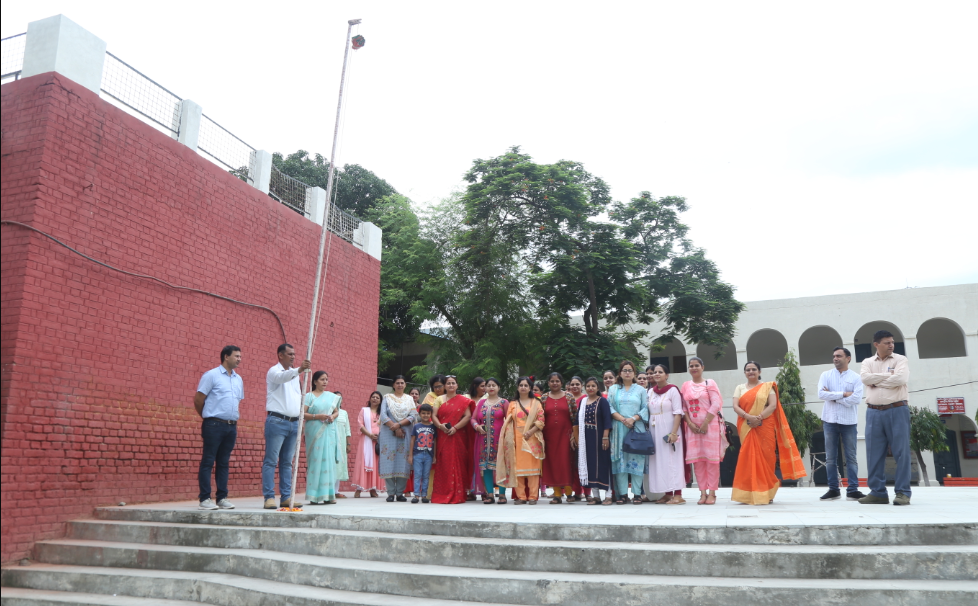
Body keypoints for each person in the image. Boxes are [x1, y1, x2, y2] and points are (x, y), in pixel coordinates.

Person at [731, 361, 806, 505]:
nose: (751, 372)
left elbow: (772, 405)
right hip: (746, 426)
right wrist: (749, 417)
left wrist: (758, 418)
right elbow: (735, 406)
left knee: (766, 459)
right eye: (748, 370)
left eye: (754, 369)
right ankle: (747, 495)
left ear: (759, 371)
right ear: (745, 372)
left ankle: (766, 493)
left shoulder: (767, 387)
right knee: (748, 459)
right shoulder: (739, 388)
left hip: (764, 425)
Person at [859, 330, 911, 506]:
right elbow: (865, 378)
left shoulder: (900, 359)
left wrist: (877, 380)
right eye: (887, 342)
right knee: (873, 453)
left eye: (892, 342)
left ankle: (903, 492)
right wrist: (890, 377)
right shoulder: (867, 362)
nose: (891, 345)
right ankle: (878, 492)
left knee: (901, 452)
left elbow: (901, 378)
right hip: (873, 412)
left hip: (897, 410)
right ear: (876, 344)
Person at [194, 345, 244, 510]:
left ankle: (222, 497)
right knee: (208, 461)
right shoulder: (211, 375)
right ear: (226, 357)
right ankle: (205, 498)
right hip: (213, 424)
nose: (239, 359)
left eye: (240, 356)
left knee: (223, 463)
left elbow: (237, 401)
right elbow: (199, 399)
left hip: (231, 426)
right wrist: (208, 417)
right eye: (236, 356)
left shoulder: (238, 379)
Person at [263, 343, 312, 509]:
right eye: (289, 354)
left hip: (293, 423)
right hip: (277, 421)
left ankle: (286, 496)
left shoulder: (295, 377)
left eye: (294, 354)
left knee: (287, 462)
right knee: (271, 460)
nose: (293, 356)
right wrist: (298, 370)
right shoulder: (274, 371)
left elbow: (299, 398)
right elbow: (281, 378)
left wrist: (301, 420)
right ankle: (269, 497)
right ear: (280, 355)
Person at [817, 347, 865, 501]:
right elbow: (821, 394)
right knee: (830, 458)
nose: (835, 358)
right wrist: (844, 394)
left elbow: (857, 399)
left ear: (848, 358)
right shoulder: (826, 375)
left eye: (839, 356)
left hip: (849, 422)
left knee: (851, 457)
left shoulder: (856, 377)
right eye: (834, 356)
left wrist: (833, 396)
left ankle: (852, 490)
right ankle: (833, 489)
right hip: (830, 420)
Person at [681, 357, 727, 505]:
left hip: (710, 426)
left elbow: (716, 404)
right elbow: (684, 408)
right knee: (698, 461)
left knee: (711, 461)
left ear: (702, 367)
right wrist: (689, 423)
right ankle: (702, 493)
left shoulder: (710, 383)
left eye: (696, 365)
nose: (694, 368)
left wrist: (706, 423)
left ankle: (712, 492)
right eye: (691, 366)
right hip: (692, 428)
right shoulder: (685, 385)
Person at [496, 376, 546, 504]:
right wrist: (509, 439)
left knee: (533, 469)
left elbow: (541, 420)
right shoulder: (513, 404)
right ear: (517, 387)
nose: (523, 387)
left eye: (526, 385)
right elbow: (508, 422)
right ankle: (521, 496)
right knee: (517, 468)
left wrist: (530, 431)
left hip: (532, 437)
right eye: (521, 385)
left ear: (530, 388)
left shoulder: (536, 403)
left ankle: (533, 496)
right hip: (516, 438)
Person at [608, 360, 649, 505]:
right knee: (620, 460)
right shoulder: (613, 389)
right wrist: (622, 419)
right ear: (620, 373)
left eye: (630, 370)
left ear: (634, 373)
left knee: (637, 459)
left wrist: (633, 419)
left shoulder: (640, 390)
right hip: (619, 428)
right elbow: (610, 408)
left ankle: (637, 493)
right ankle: (623, 494)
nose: (627, 372)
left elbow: (645, 408)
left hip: (636, 428)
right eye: (624, 370)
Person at [647, 364, 686, 504]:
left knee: (673, 460)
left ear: (667, 375)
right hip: (654, 430)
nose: (657, 374)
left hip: (669, 428)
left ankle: (678, 494)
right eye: (655, 372)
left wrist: (674, 432)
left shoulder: (672, 390)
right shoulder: (651, 391)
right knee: (660, 461)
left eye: (660, 372)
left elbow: (678, 412)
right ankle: (668, 493)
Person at [431, 376, 474, 503]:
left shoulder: (463, 400)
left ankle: (458, 494)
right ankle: (443, 492)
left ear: (457, 386)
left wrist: (455, 428)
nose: (450, 385)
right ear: (444, 386)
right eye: (448, 383)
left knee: (458, 463)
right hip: (443, 434)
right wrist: (440, 426)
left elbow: (468, 416)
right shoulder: (439, 399)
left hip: (458, 435)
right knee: (444, 463)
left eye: (453, 383)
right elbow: (434, 415)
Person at [303, 371, 340, 505]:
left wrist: (332, 417)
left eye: (326, 379)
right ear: (315, 381)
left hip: (328, 432)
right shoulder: (309, 396)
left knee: (328, 462)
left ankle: (329, 495)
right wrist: (317, 417)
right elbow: (302, 413)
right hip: (314, 432)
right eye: (322, 379)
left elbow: (336, 411)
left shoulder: (330, 397)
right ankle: (314, 496)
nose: (325, 382)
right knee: (315, 462)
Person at [542, 372, 580, 503]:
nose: (555, 383)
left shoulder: (569, 397)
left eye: (557, 381)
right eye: (552, 381)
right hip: (549, 436)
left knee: (566, 463)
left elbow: (575, 418)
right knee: (552, 464)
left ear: (561, 383)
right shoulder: (544, 398)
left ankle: (569, 493)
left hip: (566, 436)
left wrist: (575, 436)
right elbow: (540, 417)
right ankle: (557, 494)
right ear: (548, 383)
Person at [379, 376, 418, 502]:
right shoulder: (387, 398)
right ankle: (390, 493)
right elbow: (383, 415)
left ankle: (400, 492)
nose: (400, 385)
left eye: (402, 383)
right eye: (397, 383)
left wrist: (400, 425)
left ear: (405, 385)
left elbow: (412, 415)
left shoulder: (409, 399)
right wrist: (395, 428)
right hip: (389, 432)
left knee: (403, 461)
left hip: (405, 432)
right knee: (388, 460)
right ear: (393, 385)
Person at [577, 377, 613, 505]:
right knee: (590, 464)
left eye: (593, 386)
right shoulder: (583, 402)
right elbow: (577, 421)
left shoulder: (602, 401)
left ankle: (608, 495)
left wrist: (605, 436)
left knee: (604, 463)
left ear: (598, 388)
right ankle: (596, 496)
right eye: (588, 386)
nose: (590, 388)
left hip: (600, 437)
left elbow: (607, 420)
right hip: (586, 438)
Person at [472, 378, 508, 503]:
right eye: (488, 385)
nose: (491, 387)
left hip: (499, 439)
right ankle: (490, 494)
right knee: (486, 467)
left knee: (500, 466)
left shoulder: (504, 402)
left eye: (494, 385)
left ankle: (502, 494)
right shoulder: (481, 403)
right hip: (483, 440)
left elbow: (509, 421)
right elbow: (473, 419)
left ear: (499, 387)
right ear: (485, 388)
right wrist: (477, 426)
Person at [352, 391, 382, 498]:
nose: (375, 399)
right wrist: (369, 435)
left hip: (378, 441)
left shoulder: (382, 413)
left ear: (380, 401)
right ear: (370, 399)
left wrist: (378, 436)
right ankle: (358, 489)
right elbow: (360, 425)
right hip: (365, 440)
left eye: (377, 398)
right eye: (373, 397)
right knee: (363, 463)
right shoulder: (364, 411)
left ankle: (373, 489)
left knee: (375, 464)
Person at [408, 403, 437, 503]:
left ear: (431, 414)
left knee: (426, 475)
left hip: (429, 455)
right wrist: (410, 455)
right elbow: (412, 440)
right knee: (417, 475)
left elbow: (435, 442)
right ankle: (416, 495)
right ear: (419, 414)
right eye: (423, 413)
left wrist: (434, 455)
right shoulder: (416, 426)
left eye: (428, 413)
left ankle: (424, 495)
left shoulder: (434, 427)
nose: (425, 415)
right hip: (417, 454)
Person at [334, 392, 351, 498]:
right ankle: (328, 490)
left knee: (339, 466)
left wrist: (348, 443)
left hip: (342, 443)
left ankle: (336, 491)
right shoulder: (328, 411)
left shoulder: (344, 413)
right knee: (330, 466)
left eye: (340, 397)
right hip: (330, 442)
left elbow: (347, 429)